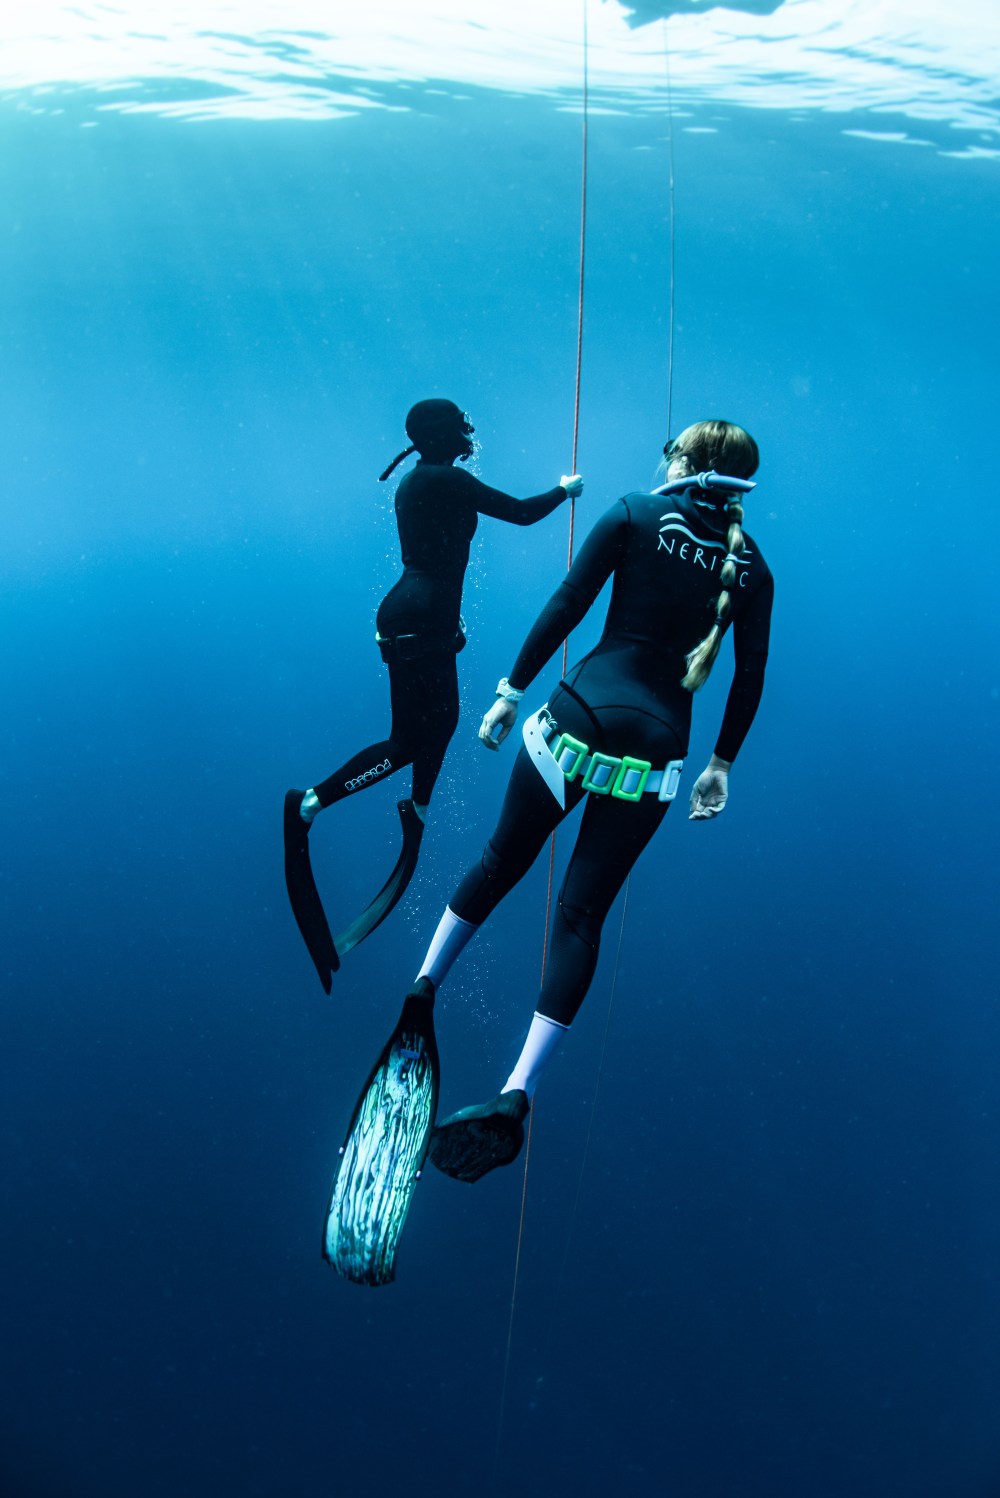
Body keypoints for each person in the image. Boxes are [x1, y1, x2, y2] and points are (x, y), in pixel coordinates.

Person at [400, 419, 774, 1182]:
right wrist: (721, 766)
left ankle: (424, 986)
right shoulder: (753, 566)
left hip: (578, 720)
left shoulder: (635, 511)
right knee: (580, 916)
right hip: (659, 751)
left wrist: (510, 691)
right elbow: (750, 674)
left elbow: (569, 602)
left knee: (500, 862)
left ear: (687, 462)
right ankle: (517, 1092)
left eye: (671, 451)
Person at [284, 397, 583, 992]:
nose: (469, 434)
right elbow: (522, 513)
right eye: (460, 426)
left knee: (439, 726)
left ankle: (413, 810)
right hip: (419, 621)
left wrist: (446, 627)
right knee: (409, 741)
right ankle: (310, 803)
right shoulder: (446, 480)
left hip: (416, 620)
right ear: (443, 434)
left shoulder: (420, 481)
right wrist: (564, 490)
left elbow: (437, 555)